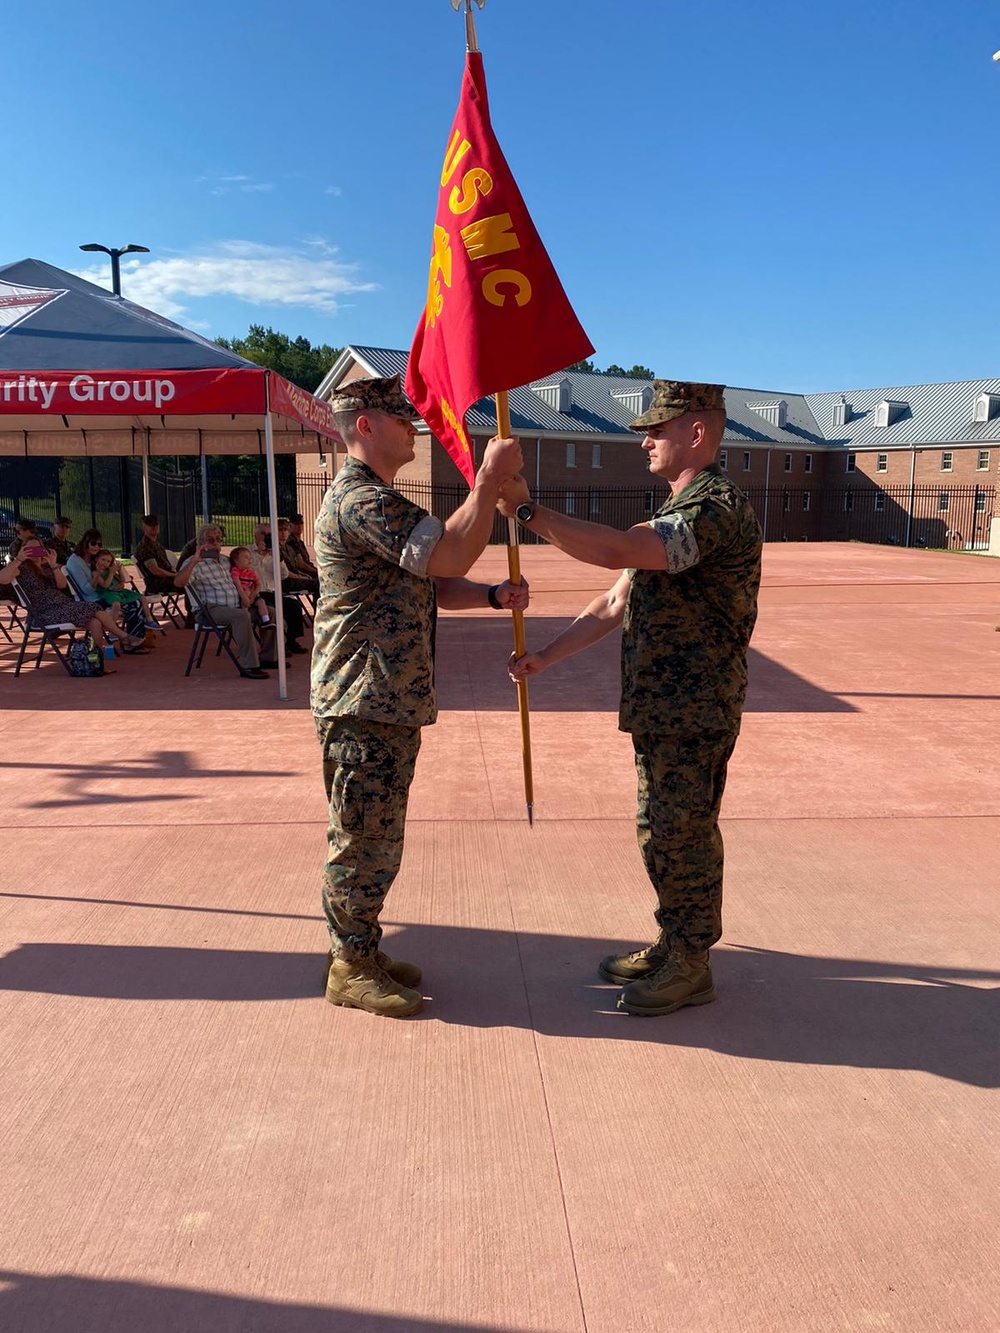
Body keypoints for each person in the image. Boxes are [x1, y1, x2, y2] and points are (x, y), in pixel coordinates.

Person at [500, 381, 762, 1017]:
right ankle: (675, 942)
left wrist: (528, 513)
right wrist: (545, 657)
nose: (644, 441)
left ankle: (692, 963)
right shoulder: (674, 512)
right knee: (660, 829)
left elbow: (618, 551)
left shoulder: (714, 509)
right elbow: (614, 601)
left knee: (682, 832)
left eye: (657, 430)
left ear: (695, 434)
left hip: (695, 708)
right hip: (663, 708)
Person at [314, 373, 526, 1018]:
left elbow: (429, 583)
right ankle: (349, 965)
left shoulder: (376, 499)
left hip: (385, 699)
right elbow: (449, 555)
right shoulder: (360, 500)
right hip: (363, 699)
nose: (416, 430)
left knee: (380, 835)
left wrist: (491, 596)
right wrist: (486, 484)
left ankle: (363, 949)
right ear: (366, 426)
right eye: (403, 421)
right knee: (361, 837)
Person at [0, 541, 143, 660]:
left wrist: (53, 564)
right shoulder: (20, 567)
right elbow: (2, 578)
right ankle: (123, 636)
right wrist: (19, 559)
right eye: (29, 548)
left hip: (62, 606)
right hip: (44, 613)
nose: (34, 551)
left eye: (37, 547)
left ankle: (96, 659)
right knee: (93, 607)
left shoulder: (45, 566)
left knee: (95, 622)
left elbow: (61, 585)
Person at [173, 523, 277, 679]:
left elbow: (247, 571)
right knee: (241, 616)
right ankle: (250, 665)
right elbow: (178, 583)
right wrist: (195, 561)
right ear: (200, 543)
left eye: (218, 540)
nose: (215, 543)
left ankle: (268, 658)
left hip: (237, 605)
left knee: (271, 612)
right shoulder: (194, 563)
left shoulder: (226, 561)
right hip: (211, 610)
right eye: (210, 540)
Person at [248, 524, 307, 654]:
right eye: (263, 534)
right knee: (275, 609)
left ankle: (291, 640)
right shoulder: (247, 553)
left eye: (269, 534)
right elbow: (245, 571)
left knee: (294, 605)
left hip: (270, 593)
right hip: (255, 594)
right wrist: (259, 555)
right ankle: (278, 644)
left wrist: (277, 558)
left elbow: (284, 575)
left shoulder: (274, 553)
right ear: (256, 535)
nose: (267, 537)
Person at [134, 515, 178, 594]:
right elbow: (155, 571)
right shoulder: (145, 547)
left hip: (167, 579)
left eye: (156, 524)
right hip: (158, 583)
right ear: (144, 527)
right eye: (150, 525)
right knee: (189, 584)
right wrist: (174, 575)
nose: (154, 527)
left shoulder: (156, 544)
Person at [228, 546, 270, 625]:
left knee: (261, 601)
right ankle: (246, 619)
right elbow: (238, 585)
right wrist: (244, 597)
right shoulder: (235, 570)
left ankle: (266, 620)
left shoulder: (251, 572)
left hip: (251, 594)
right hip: (242, 594)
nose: (249, 560)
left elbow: (258, 584)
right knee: (246, 595)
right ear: (236, 560)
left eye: (250, 557)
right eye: (246, 558)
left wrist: (254, 594)